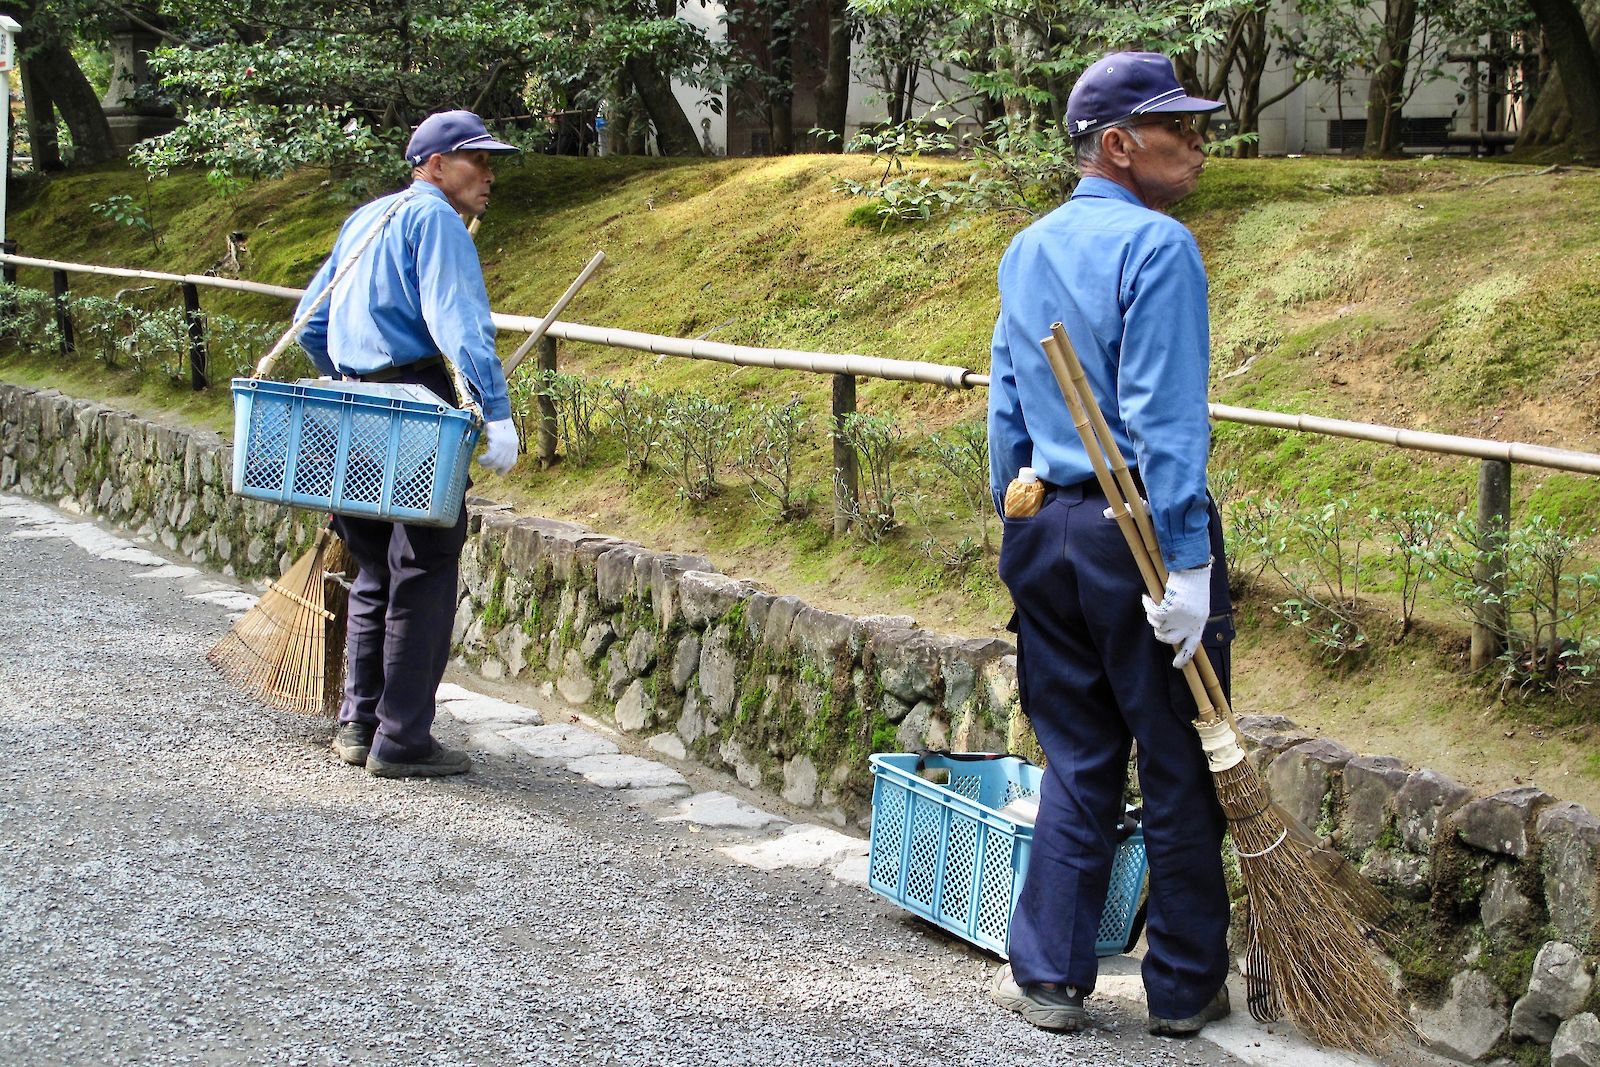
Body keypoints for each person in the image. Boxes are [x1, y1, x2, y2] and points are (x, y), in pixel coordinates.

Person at [985, 52, 1235, 1037]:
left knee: (1081, 751)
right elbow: (1164, 421)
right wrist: (1184, 561)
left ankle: (1048, 971)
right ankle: (1179, 988)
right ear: (1121, 144)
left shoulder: (1026, 248)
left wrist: (1018, 523)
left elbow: (1007, 404)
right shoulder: (1160, 247)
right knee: (1177, 756)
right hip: (1134, 525)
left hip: (1043, 523)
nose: (1202, 145)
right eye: (1184, 128)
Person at [296, 109, 521, 779]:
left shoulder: (367, 218)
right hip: (417, 407)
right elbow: (461, 323)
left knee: (371, 566)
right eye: (474, 160)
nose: (487, 175)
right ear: (434, 165)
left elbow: (310, 320)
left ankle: (358, 726)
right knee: (424, 568)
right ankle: (402, 740)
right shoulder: (437, 221)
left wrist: (346, 372)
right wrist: (497, 410)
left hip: (354, 404)